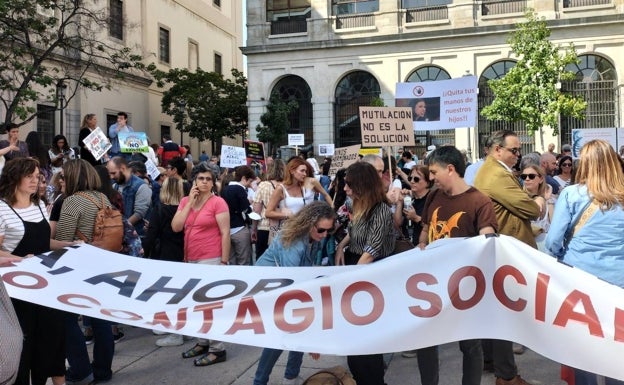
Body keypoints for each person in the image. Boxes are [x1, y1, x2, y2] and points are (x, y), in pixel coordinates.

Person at [414, 146, 497, 385]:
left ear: (450, 169)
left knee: (470, 344)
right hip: (432, 284)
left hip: (465, 286)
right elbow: (425, 229)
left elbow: (488, 240)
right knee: (425, 341)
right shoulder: (433, 196)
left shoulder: (479, 201)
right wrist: (421, 245)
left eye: (433, 172)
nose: (430, 178)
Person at [545, 139, 624, 385]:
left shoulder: (571, 194)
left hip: (578, 282)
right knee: (616, 348)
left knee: (583, 348)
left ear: (585, 164)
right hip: (619, 282)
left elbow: (553, 241)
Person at [474, 130, 544, 385]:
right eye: (513, 150)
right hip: (504, 251)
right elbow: (529, 209)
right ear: (496, 150)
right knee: (504, 313)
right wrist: (537, 199)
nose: (518, 155)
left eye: (519, 150)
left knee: (495, 311)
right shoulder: (496, 174)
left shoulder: (495, 170)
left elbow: (511, 211)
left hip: (501, 247)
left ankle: (494, 364)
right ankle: (506, 375)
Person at [0, 158, 74, 385]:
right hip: (17, 292)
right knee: (23, 345)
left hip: (45, 288)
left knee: (50, 342)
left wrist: (71, 245)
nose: (36, 181)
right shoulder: (2, 208)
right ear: (15, 177)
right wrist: (22, 260)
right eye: (29, 176)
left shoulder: (40, 205)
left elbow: (45, 242)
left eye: (38, 176)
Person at [252, 201, 334, 385]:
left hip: (287, 287)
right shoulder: (294, 243)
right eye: (321, 230)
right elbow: (294, 285)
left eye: (328, 230)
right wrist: (313, 339)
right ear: (309, 224)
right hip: (269, 289)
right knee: (281, 336)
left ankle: (291, 376)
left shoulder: (314, 238)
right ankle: (260, 382)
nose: (324, 235)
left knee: (298, 327)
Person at [54, 159, 117, 385]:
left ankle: (80, 369)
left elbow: (63, 240)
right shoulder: (103, 197)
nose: (61, 179)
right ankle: (103, 370)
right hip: (103, 263)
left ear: (72, 176)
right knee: (101, 320)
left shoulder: (72, 202)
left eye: (63, 175)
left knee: (66, 318)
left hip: (78, 266)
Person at [335, 161, 395, 385]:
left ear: (361, 184)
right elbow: (355, 231)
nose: (345, 189)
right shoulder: (354, 205)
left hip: (371, 272)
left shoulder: (380, 210)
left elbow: (373, 247)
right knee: (353, 334)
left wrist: (352, 276)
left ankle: (374, 380)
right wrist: (342, 245)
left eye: (349, 184)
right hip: (357, 265)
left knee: (369, 335)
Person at [171, 162, 230, 367]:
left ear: (213, 183)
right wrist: (189, 203)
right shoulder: (186, 200)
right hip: (190, 259)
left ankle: (217, 348)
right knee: (195, 305)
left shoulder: (218, 203)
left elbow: (225, 233)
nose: (204, 182)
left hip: (211, 258)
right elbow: (176, 227)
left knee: (210, 306)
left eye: (208, 179)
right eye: (200, 178)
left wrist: (224, 261)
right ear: (194, 181)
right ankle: (202, 341)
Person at [265, 157, 332, 241]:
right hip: (287, 233)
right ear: (292, 171)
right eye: (302, 171)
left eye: (306, 171)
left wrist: (332, 211)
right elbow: (268, 213)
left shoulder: (305, 186)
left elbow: (325, 194)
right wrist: (286, 215)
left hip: (304, 232)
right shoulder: (280, 189)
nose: (304, 174)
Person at [106, 156, 151, 236]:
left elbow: (139, 214)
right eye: (110, 174)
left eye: (114, 173)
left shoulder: (141, 186)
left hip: (137, 235)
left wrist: (121, 227)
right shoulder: (115, 185)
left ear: (123, 168)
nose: (111, 177)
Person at [221, 165, 255, 266]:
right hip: (240, 229)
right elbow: (245, 210)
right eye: (249, 181)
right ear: (244, 178)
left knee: (231, 261)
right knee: (243, 261)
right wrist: (251, 206)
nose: (249, 185)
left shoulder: (225, 189)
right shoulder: (240, 189)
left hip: (227, 230)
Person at [252, 159, 285, 258]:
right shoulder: (288, 186)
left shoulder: (263, 185)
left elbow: (256, 211)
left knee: (263, 259)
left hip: (264, 227)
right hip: (283, 228)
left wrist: (254, 229)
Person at [521, 164, 553, 252]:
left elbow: (553, 225)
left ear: (541, 179)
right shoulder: (519, 200)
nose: (527, 179)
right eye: (524, 176)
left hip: (542, 247)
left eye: (531, 176)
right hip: (524, 245)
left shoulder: (549, 201)